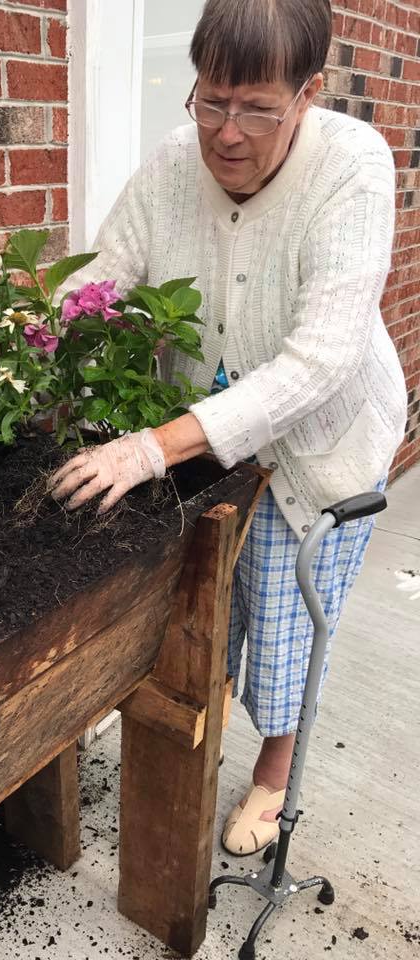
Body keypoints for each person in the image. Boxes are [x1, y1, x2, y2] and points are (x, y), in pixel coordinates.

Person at [50, 0, 407, 856]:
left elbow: (320, 360)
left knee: (283, 617)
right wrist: (37, 331)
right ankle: (169, 707)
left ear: (308, 94)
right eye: (212, 100)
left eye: (256, 107)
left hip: (320, 441)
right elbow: (108, 270)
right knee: (188, 603)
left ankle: (275, 773)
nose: (228, 132)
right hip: (204, 430)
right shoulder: (177, 159)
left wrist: (151, 446)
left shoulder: (353, 169)